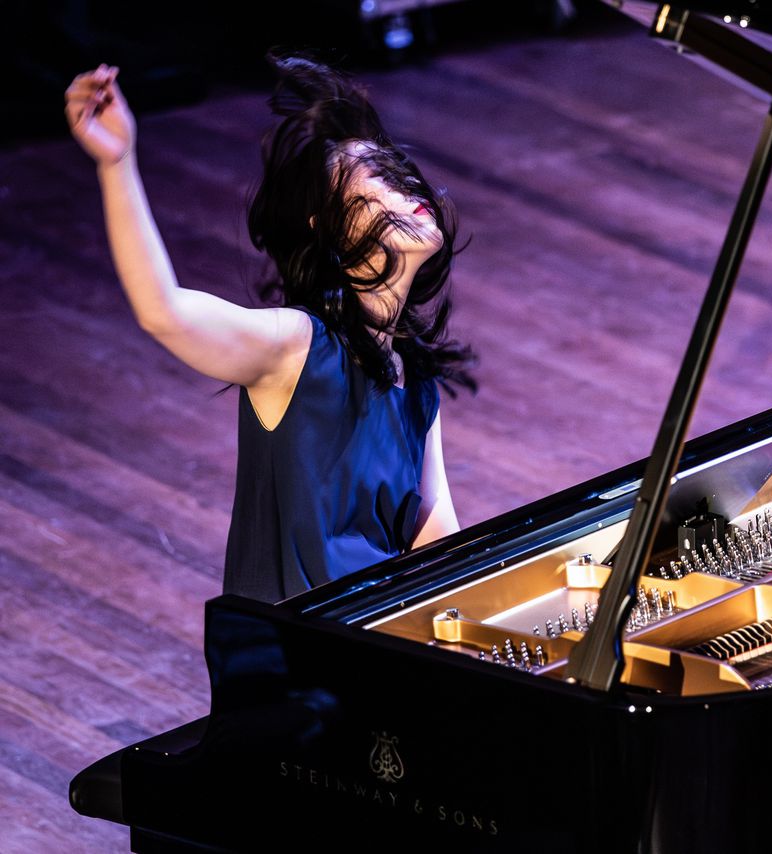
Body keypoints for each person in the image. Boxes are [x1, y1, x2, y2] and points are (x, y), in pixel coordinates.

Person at [64, 54, 475, 603]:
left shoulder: (416, 379)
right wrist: (118, 165)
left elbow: (437, 539)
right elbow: (162, 311)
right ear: (327, 228)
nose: (409, 191)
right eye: (375, 179)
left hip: (375, 643)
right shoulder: (297, 347)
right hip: (298, 664)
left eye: (399, 174)